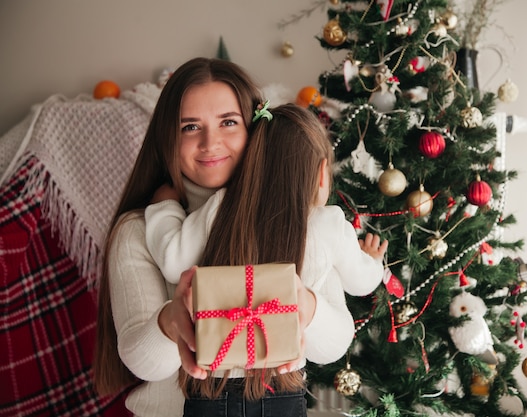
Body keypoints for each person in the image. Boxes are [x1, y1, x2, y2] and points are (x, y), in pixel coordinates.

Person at [92, 58, 362, 417]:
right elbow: (143, 362)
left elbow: (334, 345)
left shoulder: (298, 222)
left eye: (229, 122)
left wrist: (306, 306)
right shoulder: (138, 230)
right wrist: (171, 321)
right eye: (190, 127)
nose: (210, 142)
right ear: (167, 137)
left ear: (257, 129)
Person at [142, 103, 387, 416]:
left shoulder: (219, 206)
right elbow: (361, 282)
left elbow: (173, 260)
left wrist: (164, 207)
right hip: (281, 386)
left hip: (211, 384)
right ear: (321, 173)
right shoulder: (329, 223)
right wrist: (372, 261)